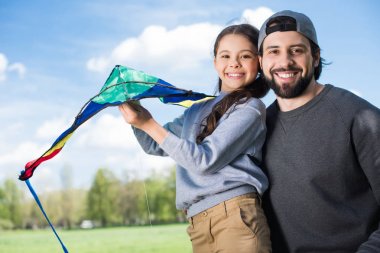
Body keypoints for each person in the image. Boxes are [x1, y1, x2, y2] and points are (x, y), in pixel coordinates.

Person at [119, 24, 272, 253]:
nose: (234, 63)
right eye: (225, 55)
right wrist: (133, 109)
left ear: (258, 63)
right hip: (197, 224)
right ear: (215, 63)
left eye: (245, 56)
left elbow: (203, 161)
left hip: (236, 218)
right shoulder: (196, 110)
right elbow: (153, 144)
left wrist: (148, 124)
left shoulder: (250, 109)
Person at [258, 10, 380, 252]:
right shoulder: (255, 126)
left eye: (296, 50)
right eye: (274, 51)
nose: (285, 62)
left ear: (315, 57)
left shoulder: (359, 117)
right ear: (261, 61)